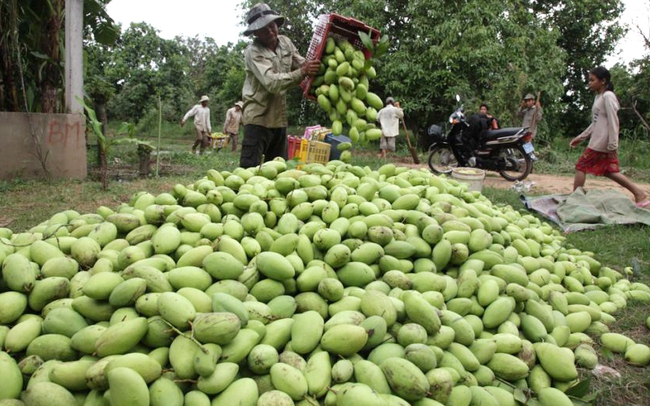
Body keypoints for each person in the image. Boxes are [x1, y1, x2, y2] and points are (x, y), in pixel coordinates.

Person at [239, 3, 321, 168]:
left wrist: (315, 69)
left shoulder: (285, 42)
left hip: (279, 119)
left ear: (276, 25)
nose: (270, 31)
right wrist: (303, 72)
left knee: (278, 169)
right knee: (249, 169)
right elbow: (272, 83)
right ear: (255, 33)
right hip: (258, 118)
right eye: (263, 29)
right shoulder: (253, 52)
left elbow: (301, 63)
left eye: (272, 25)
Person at [570, 66, 649, 208]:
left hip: (602, 142)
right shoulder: (599, 97)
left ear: (603, 81)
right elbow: (595, 122)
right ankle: (639, 193)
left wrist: (613, 144)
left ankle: (576, 198)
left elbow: (614, 122)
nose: (589, 83)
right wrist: (581, 137)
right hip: (599, 140)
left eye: (592, 80)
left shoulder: (608, 96)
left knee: (581, 166)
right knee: (609, 171)